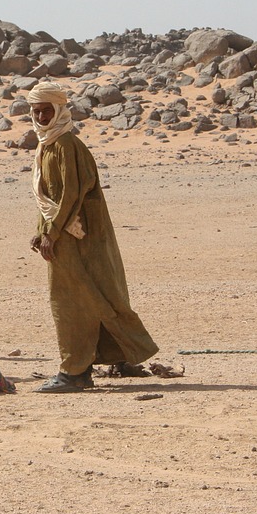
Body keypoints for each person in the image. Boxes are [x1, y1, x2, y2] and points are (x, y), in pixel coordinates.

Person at [26, 81, 158, 392]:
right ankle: (119, 357)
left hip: (79, 237)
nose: (42, 117)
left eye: (48, 111)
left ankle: (74, 371)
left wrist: (53, 232)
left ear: (60, 110)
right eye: (37, 111)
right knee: (92, 295)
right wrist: (42, 230)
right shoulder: (47, 145)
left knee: (72, 300)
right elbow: (48, 197)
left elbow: (71, 193)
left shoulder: (67, 145)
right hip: (64, 234)